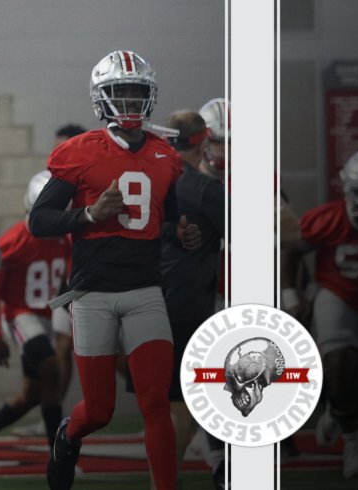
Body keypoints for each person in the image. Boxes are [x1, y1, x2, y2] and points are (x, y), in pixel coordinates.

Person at [29, 51, 201, 490]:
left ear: (150, 97)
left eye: (136, 92)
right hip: (93, 293)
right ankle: (68, 436)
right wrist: (88, 215)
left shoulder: (166, 156)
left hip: (146, 288)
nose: (128, 101)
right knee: (100, 410)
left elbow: (163, 218)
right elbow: (39, 220)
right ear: (101, 98)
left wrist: (179, 235)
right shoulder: (79, 152)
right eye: (119, 92)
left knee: (155, 402)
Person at [0, 170, 71, 473]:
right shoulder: (15, 240)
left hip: (47, 316)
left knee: (32, 395)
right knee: (51, 370)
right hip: (20, 315)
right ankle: (58, 458)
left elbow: (67, 279)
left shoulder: (66, 239)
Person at [284, 149, 358, 478]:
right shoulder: (328, 218)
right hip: (338, 295)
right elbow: (291, 250)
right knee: (341, 362)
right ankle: (352, 440)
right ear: (348, 191)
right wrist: (292, 294)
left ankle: (338, 409)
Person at [161, 110, 226, 489]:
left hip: (146, 298)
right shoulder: (204, 187)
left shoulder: (155, 178)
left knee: (168, 401)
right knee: (182, 401)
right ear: (202, 141)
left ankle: (214, 458)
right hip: (187, 301)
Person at [13, 124, 86, 440]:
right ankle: (56, 418)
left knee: (109, 351)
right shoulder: (19, 237)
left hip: (87, 280)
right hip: (51, 297)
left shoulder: (89, 182)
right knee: (55, 356)